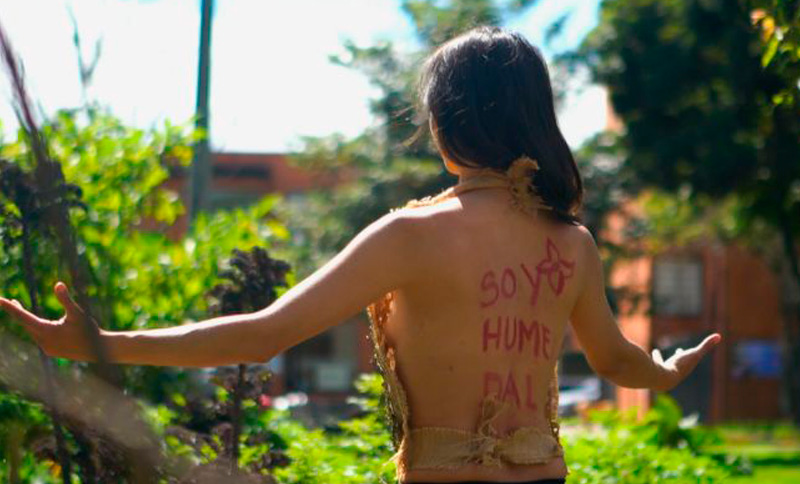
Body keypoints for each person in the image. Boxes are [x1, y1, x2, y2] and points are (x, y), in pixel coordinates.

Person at [0, 26, 720, 484]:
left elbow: (264, 333)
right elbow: (615, 361)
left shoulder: (412, 236)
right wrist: (664, 370)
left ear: (442, 123)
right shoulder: (573, 244)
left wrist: (104, 344)